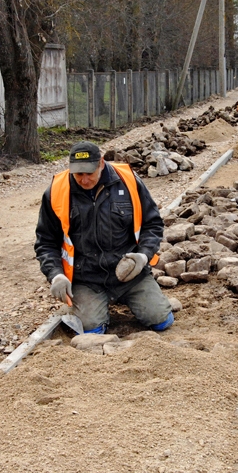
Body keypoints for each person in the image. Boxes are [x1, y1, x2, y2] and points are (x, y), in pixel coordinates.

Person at [34, 141, 174, 334]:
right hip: (86, 278)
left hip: (129, 274)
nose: (83, 180)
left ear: (101, 163)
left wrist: (143, 256)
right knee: (92, 329)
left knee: (161, 321)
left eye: (89, 173)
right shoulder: (57, 191)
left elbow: (153, 224)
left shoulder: (128, 181)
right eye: (78, 174)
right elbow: (46, 241)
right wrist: (56, 274)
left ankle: (133, 298)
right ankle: (91, 306)